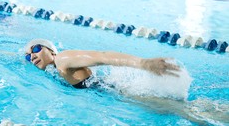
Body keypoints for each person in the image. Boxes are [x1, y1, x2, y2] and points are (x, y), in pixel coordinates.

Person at [24, 38, 181, 89]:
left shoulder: (62, 59)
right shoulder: (54, 68)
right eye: (28, 56)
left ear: (51, 51)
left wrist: (143, 63)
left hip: (116, 93)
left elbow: (102, 57)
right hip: (105, 91)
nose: (32, 56)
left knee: (181, 111)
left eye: (36, 48)